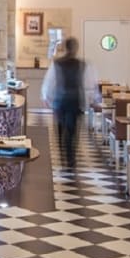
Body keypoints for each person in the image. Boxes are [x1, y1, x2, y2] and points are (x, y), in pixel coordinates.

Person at [41, 37, 97, 170]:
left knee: (61, 129)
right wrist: (92, 98)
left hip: (60, 100)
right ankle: (71, 158)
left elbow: (49, 82)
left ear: (65, 48)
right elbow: (90, 83)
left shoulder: (57, 63)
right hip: (75, 100)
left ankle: (63, 156)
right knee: (72, 130)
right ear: (76, 49)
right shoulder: (83, 65)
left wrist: (45, 97)